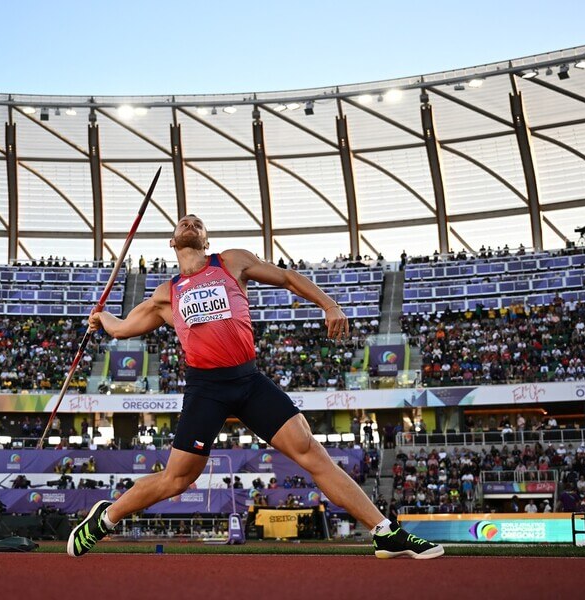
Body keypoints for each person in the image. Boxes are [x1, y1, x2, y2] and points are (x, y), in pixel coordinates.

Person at [68, 214, 443, 560]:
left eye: (197, 222)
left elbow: (289, 278)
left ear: (205, 238)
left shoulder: (231, 261)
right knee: (177, 479)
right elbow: (121, 328)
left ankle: (384, 531)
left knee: (311, 452)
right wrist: (101, 317)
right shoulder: (167, 295)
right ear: (173, 241)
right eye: (184, 221)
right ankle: (106, 518)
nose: (190, 222)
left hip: (249, 381)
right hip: (207, 389)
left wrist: (329, 305)